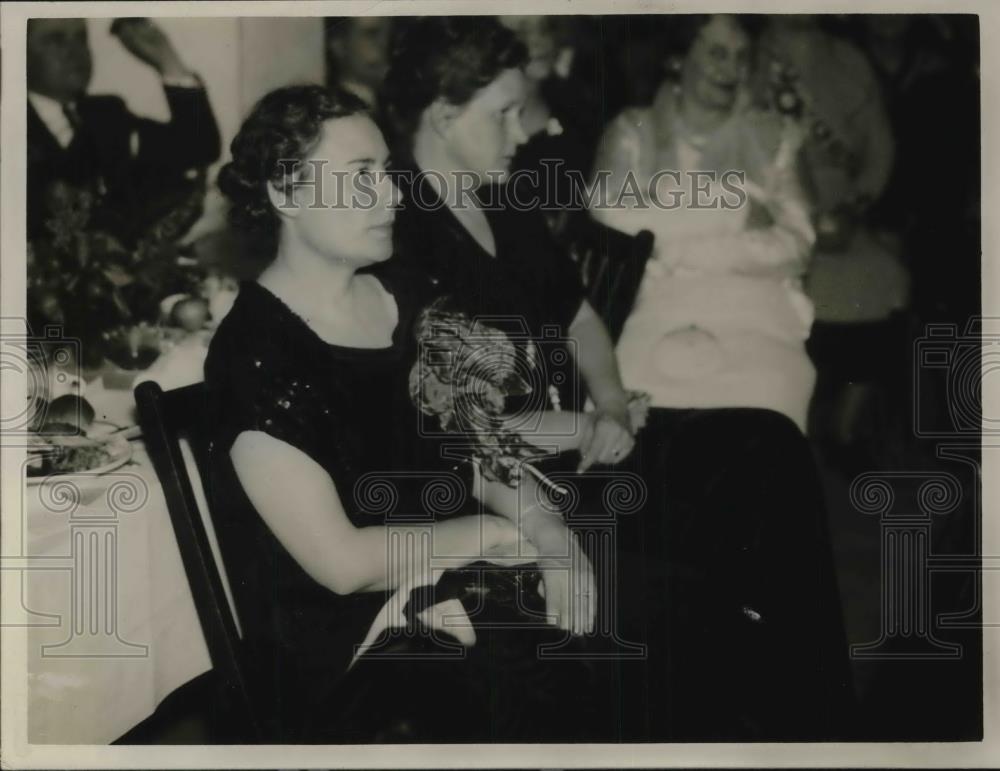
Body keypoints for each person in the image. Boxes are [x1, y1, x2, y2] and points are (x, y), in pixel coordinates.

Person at [205, 85, 603, 742]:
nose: (391, 196)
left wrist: (555, 539)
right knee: (552, 674)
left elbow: (479, 453)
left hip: (457, 583)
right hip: (350, 644)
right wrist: (497, 538)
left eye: (386, 172)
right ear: (287, 193)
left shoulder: (406, 294)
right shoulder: (253, 356)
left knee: (627, 629)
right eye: (361, 177)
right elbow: (344, 564)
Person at [589, 15, 855, 739]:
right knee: (642, 417)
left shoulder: (777, 133)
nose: (728, 65)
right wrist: (734, 209)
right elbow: (607, 211)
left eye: (741, 53)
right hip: (656, 308)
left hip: (753, 315)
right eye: (713, 49)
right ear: (678, 59)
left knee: (765, 418)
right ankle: (671, 632)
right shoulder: (635, 128)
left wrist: (677, 237)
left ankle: (759, 630)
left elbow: (796, 240)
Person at [382, 15, 638, 473]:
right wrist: (588, 429)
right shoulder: (396, 234)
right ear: (444, 117)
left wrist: (614, 407)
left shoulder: (505, 199)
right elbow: (452, 421)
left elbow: (577, 316)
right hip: (505, 474)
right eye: (503, 114)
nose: (520, 135)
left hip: (591, 439)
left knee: (760, 437)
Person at [753, 14, 911, 459]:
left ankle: (843, 427)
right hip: (770, 209)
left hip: (842, 212)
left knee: (884, 280)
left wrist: (858, 203)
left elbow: (880, 145)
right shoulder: (746, 58)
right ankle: (784, 425)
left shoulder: (848, 61)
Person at [26, 18, 221, 242]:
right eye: (55, 40)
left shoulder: (106, 115)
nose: (75, 52)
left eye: (81, 39)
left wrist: (167, 61)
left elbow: (198, 147)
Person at [324, 16, 393, 108]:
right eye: (371, 34)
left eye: (390, 35)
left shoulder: (394, 109)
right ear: (338, 43)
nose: (385, 43)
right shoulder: (331, 108)